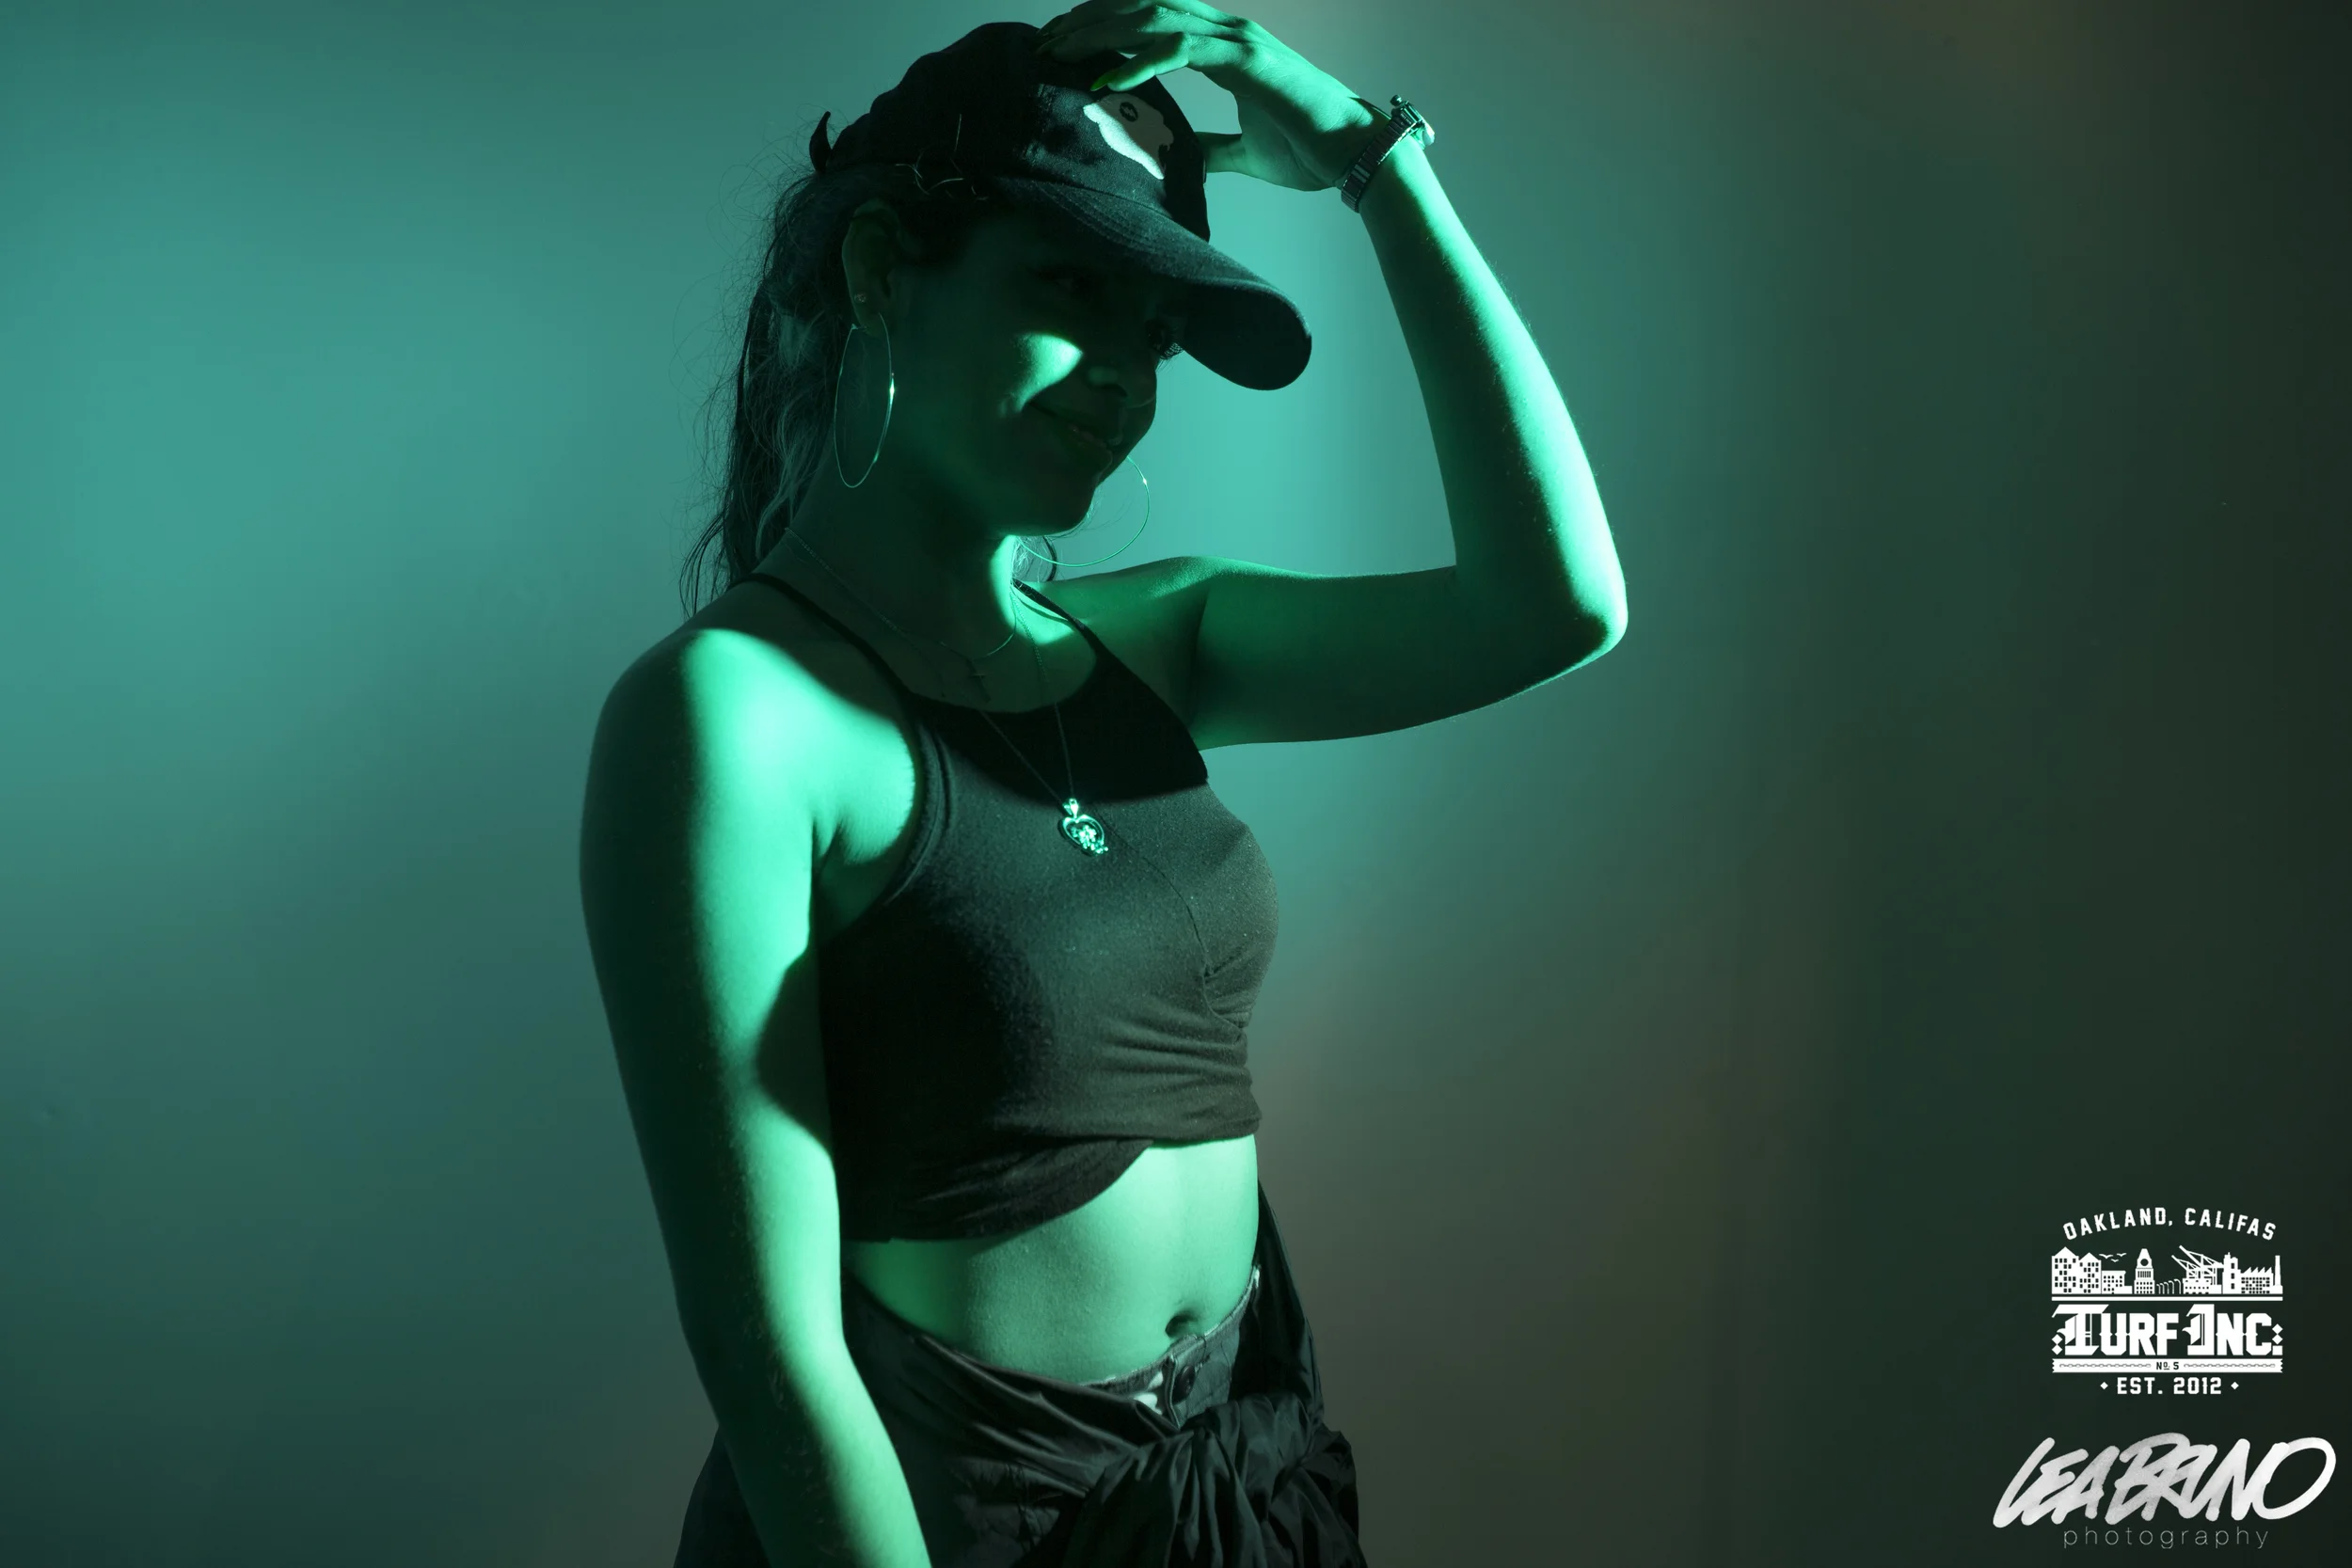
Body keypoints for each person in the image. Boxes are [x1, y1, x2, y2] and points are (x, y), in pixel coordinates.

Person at [577, 8, 1626, 1565]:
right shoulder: (734, 715)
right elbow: (768, 1352)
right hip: (959, 1514)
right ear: (879, 269)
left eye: (1155, 328)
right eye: (1071, 289)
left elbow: (1557, 605)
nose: (1125, 375)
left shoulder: (1153, 640)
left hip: (1240, 1474)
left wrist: (1376, 164)